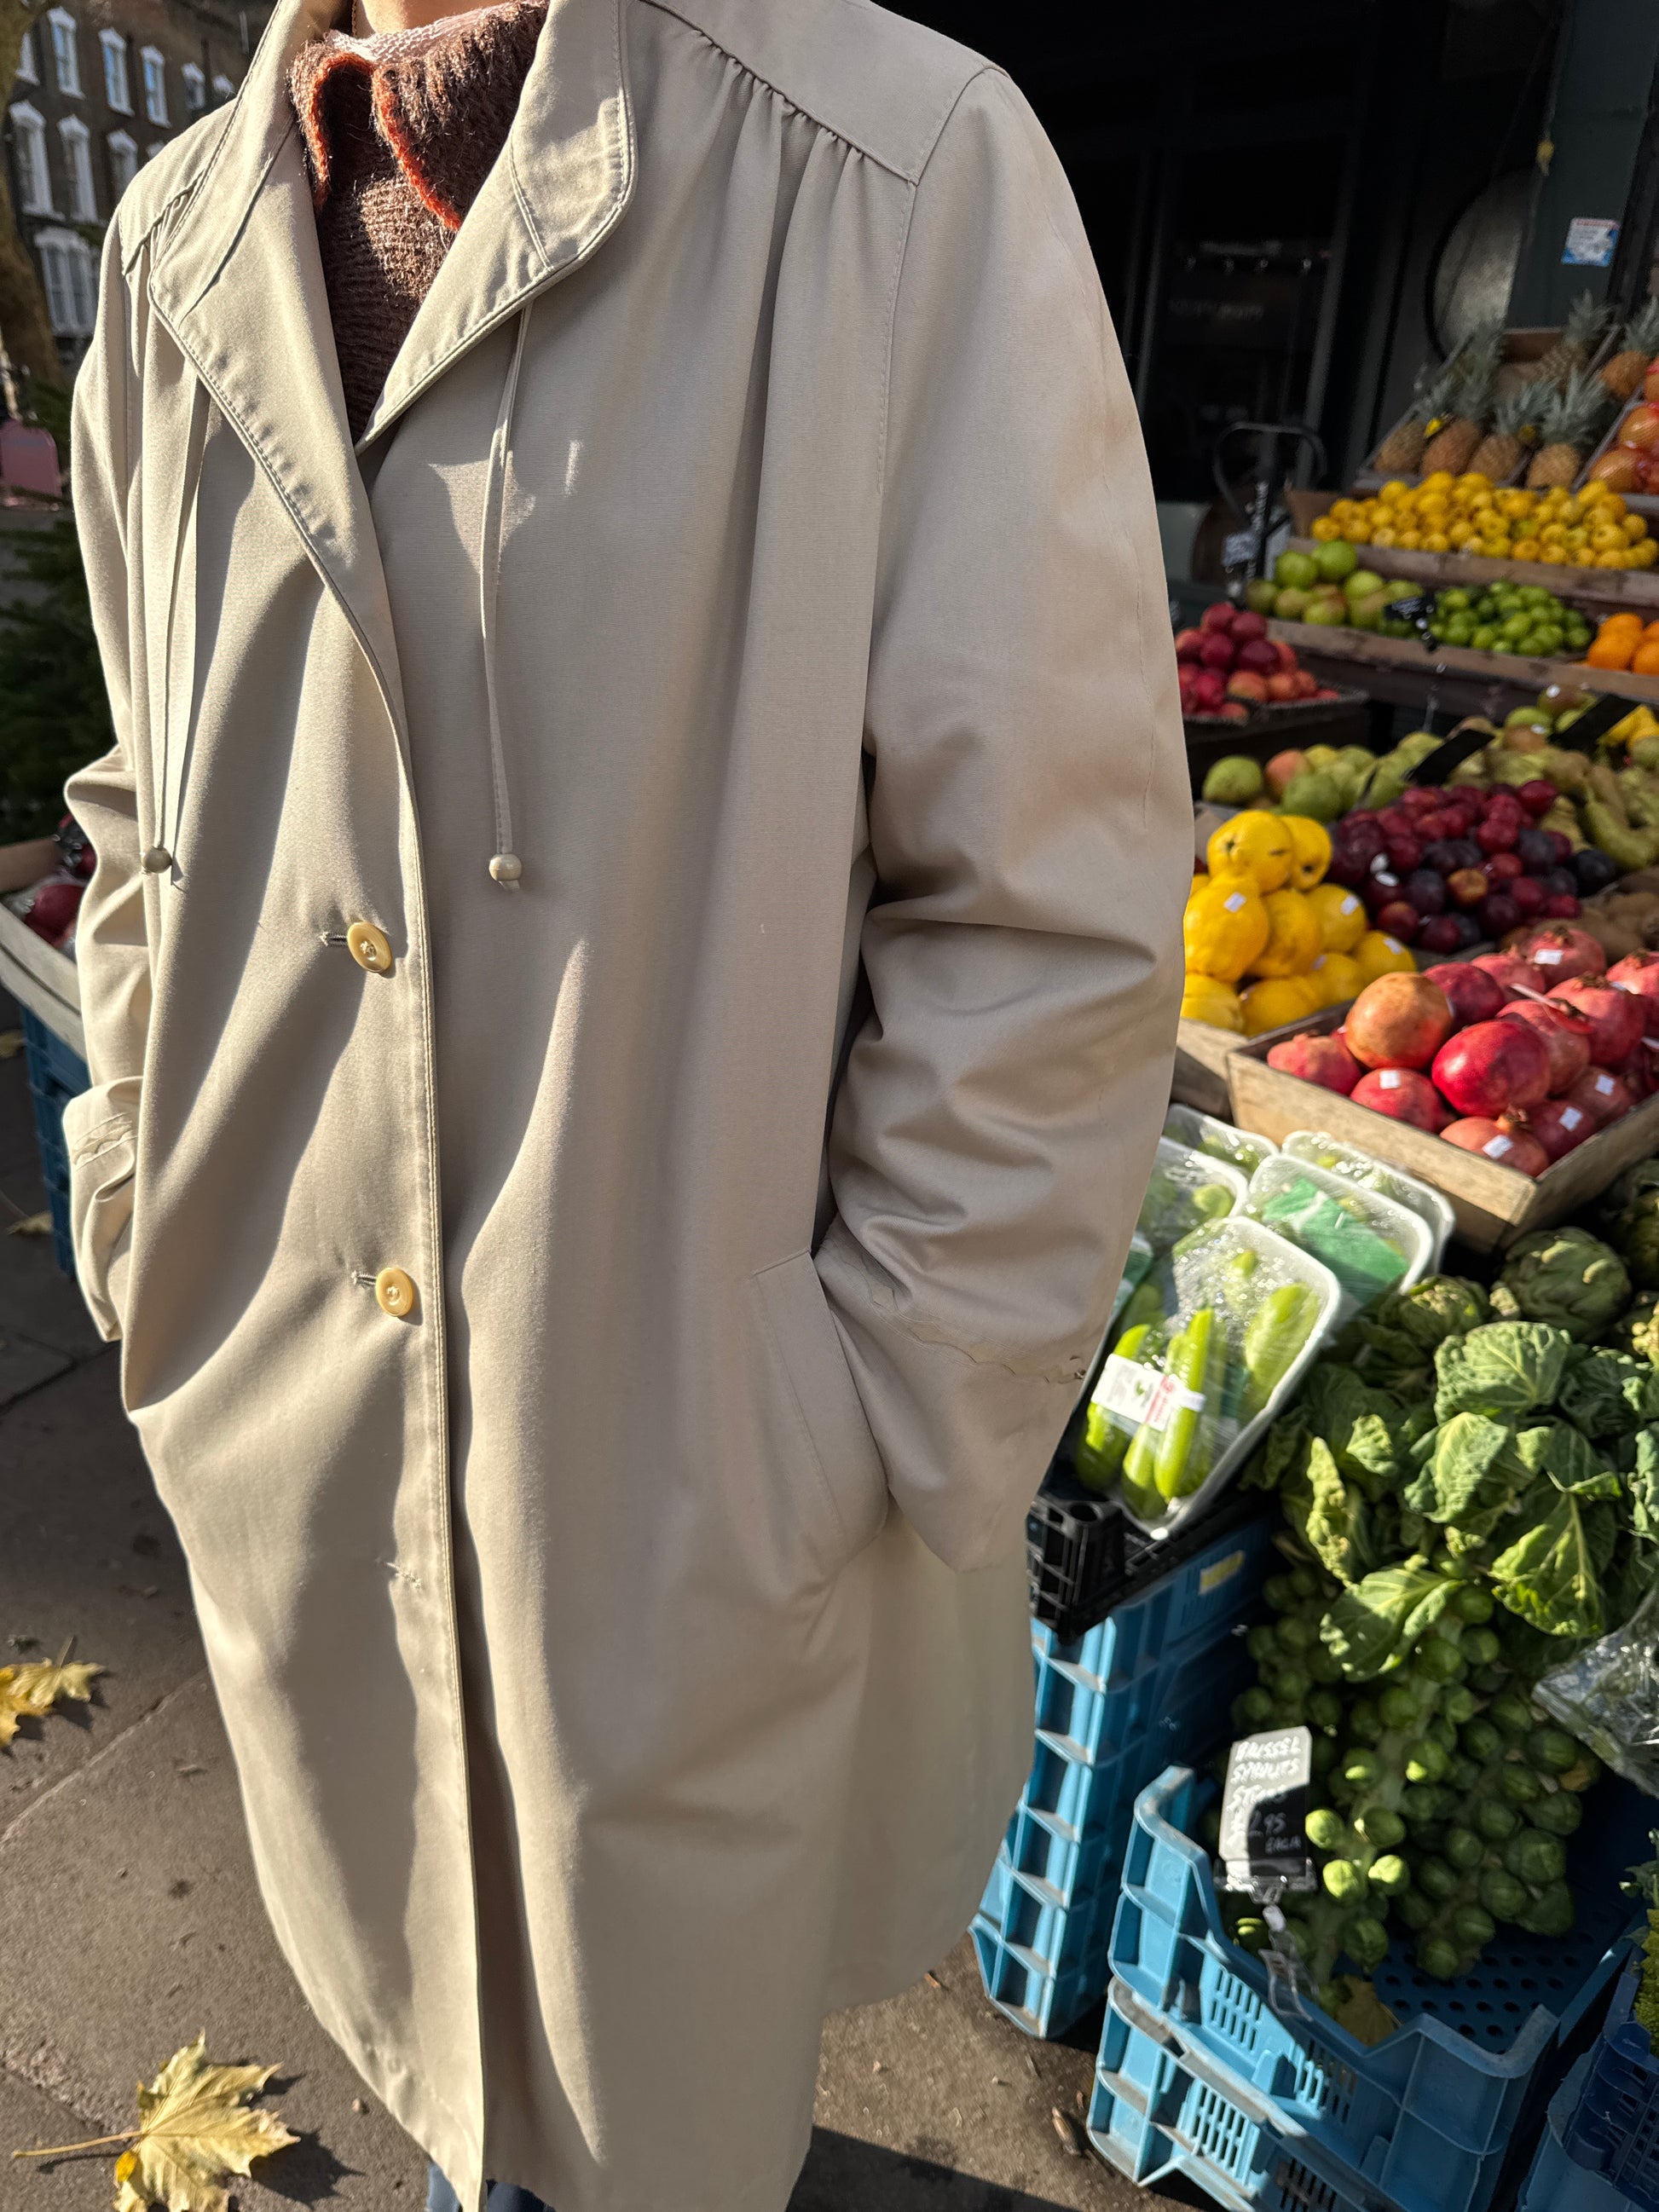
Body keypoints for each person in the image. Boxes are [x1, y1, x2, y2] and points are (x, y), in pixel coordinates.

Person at [63, 0, 1188, 2200]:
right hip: (291, 1425)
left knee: (647, 2086)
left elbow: (1044, 905)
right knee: (421, 2023)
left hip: (685, 1494)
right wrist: (135, 1200)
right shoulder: (172, 234)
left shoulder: (896, 169)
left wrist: (854, 1407)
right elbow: (140, 797)